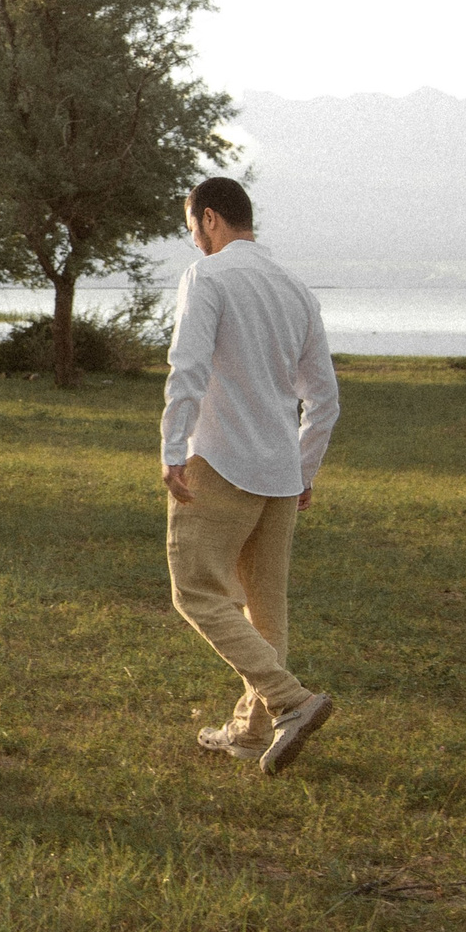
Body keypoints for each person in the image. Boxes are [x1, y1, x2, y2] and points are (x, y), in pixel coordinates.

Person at [161, 177, 342, 775]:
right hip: (281, 472)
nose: (194, 242)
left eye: (192, 229)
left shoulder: (208, 277)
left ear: (210, 218)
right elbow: (324, 400)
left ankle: (290, 702)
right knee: (266, 608)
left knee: (195, 592)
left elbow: (187, 367)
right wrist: (305, 468)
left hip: (220, 460)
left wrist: (171, 448)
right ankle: (247, 730)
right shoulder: (296, 288)